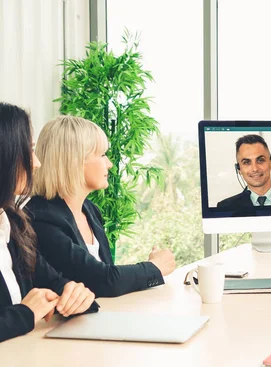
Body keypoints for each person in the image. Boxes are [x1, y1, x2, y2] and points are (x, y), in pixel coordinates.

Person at [25, 116, 176, 298]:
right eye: (102, 155)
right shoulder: (41, 218)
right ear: (74, 160)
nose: (109, 164)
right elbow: (102, 280)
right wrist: (154, 268)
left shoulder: (90, 210)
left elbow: (107, 273)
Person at [0, 103, 98, 342]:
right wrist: (26, 313)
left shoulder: (12, 223)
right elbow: (25, 313)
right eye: (29, 151)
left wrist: (75, 294)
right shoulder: (40, 216)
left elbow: (53, 282)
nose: (36, 163)